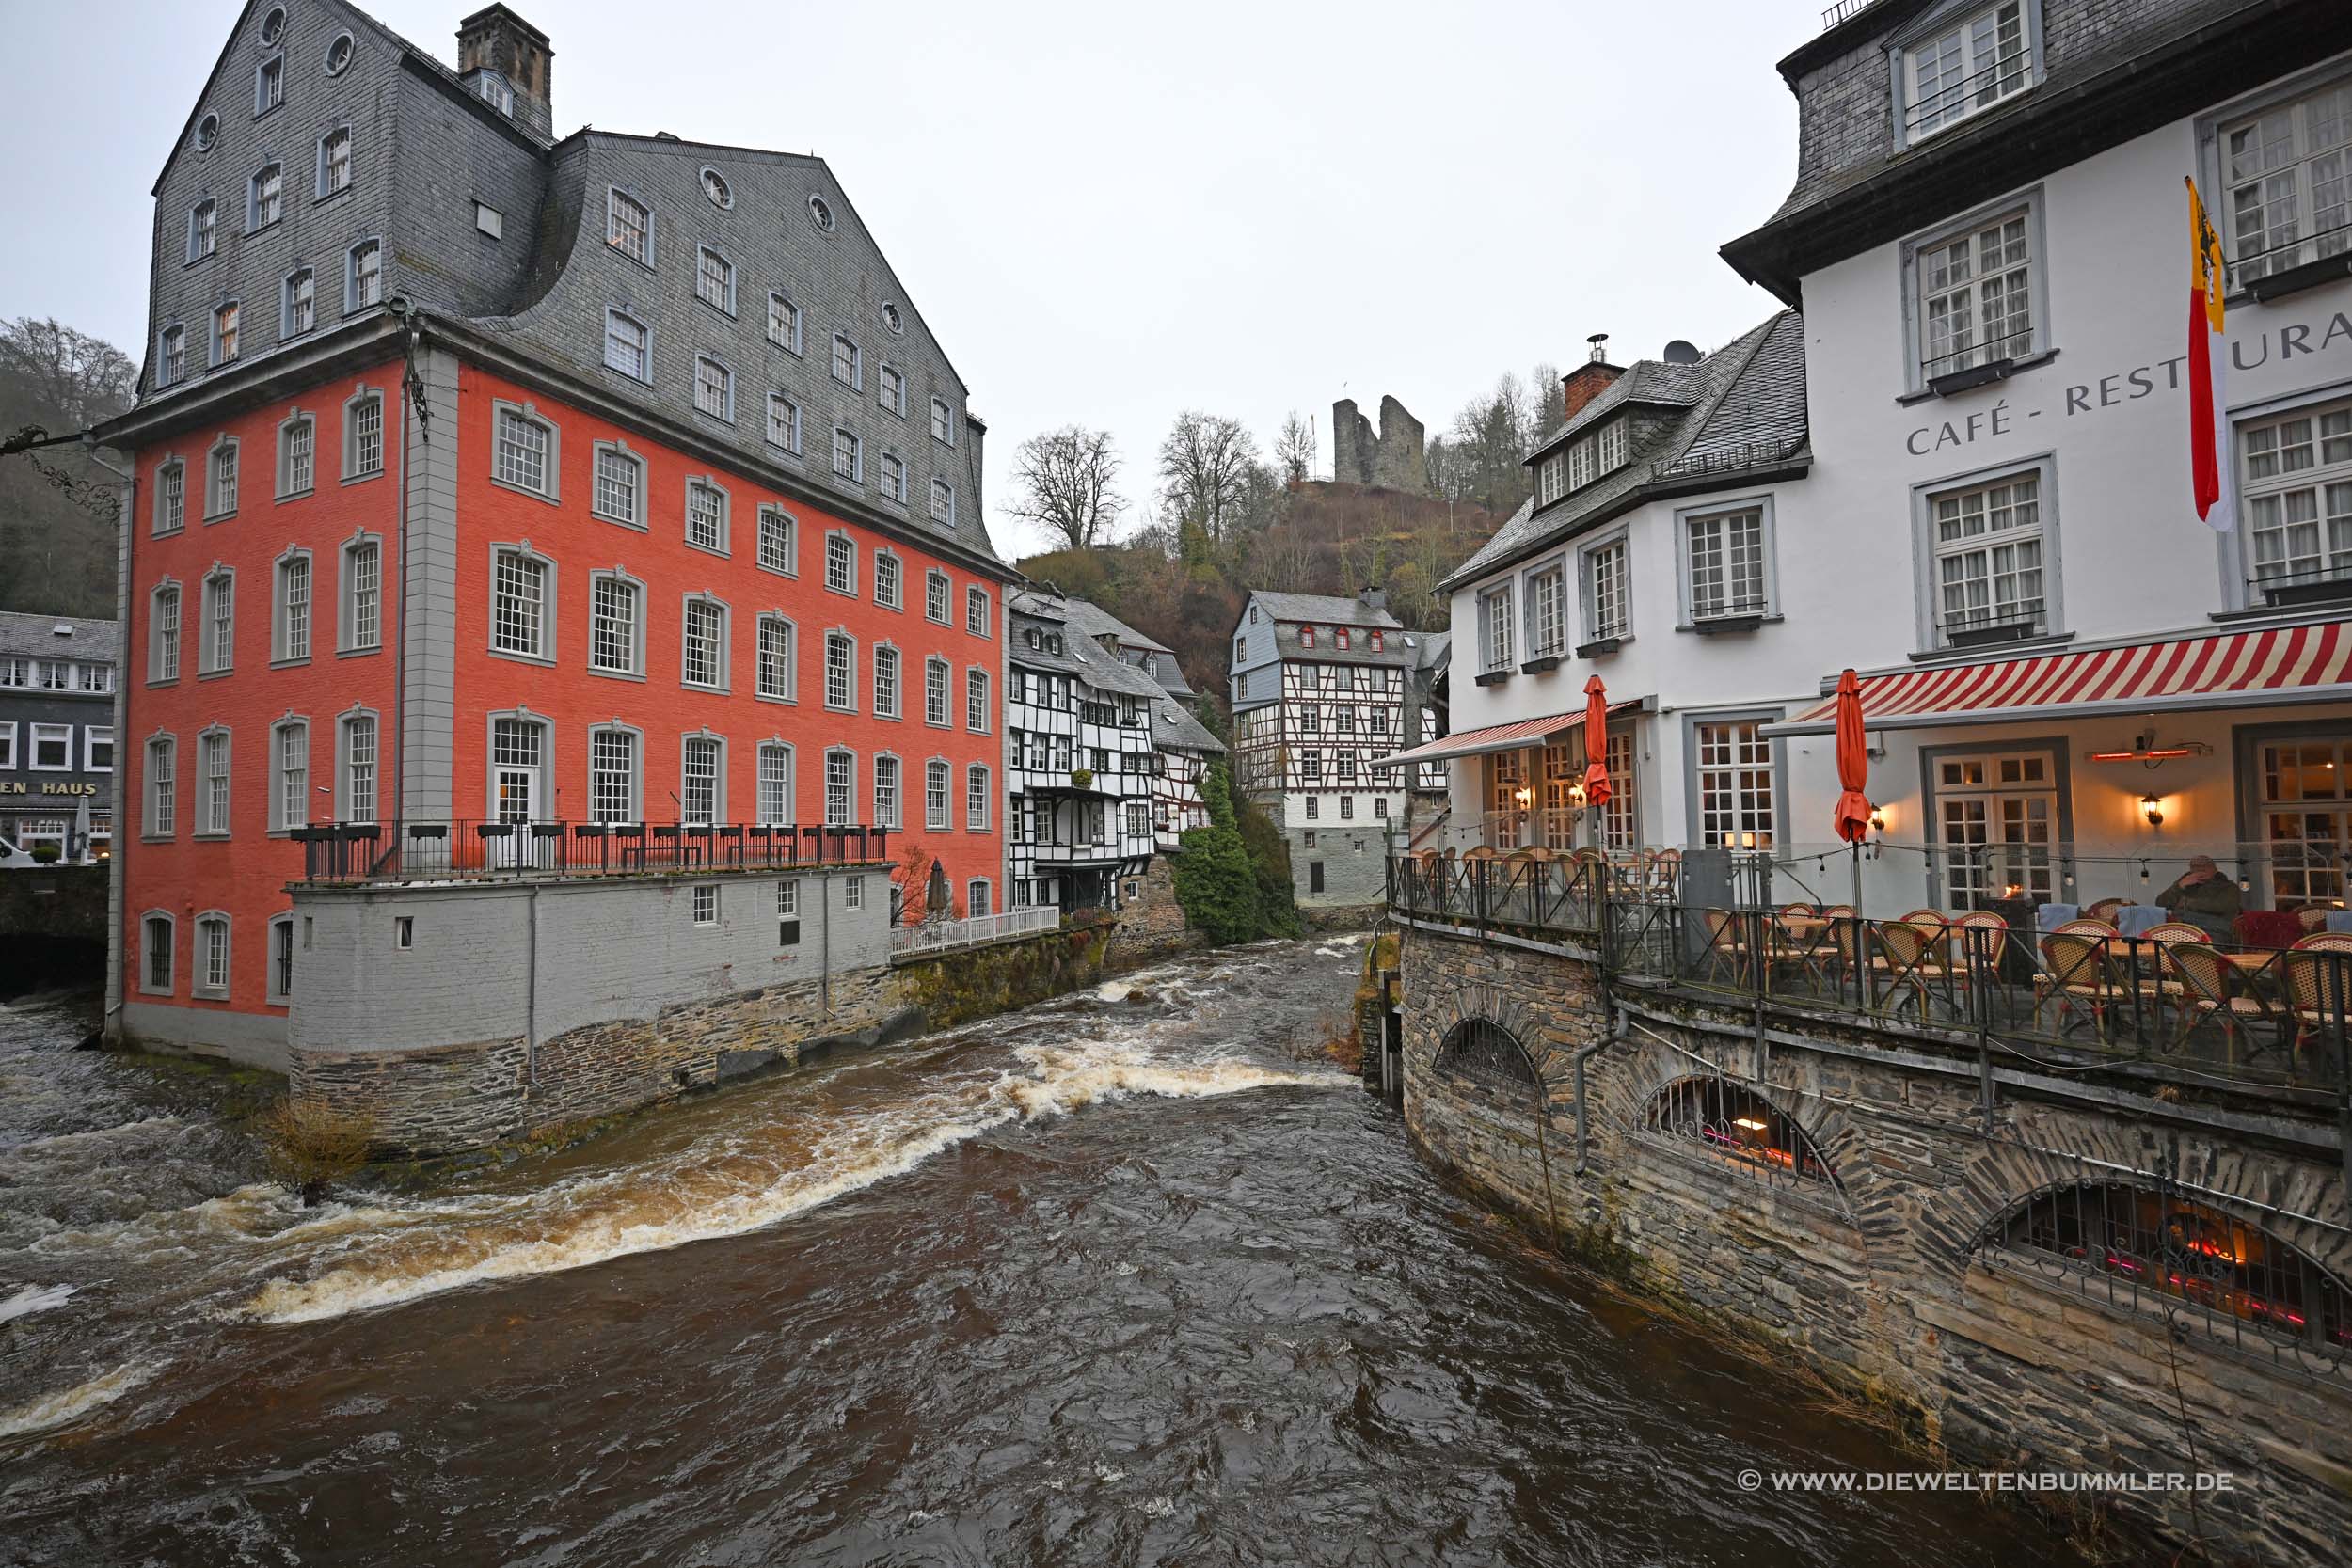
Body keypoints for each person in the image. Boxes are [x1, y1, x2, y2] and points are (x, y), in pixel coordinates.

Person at [2154, 855, 2243, 944]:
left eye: (2206, 866)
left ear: (2215, 869)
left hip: (2214, 932)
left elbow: (2223, 906)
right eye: (2195, 866)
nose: (2201, 869)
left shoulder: (2229, 887)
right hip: (2180, 931)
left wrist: (2188, 902)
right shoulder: (2184, 885)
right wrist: (2180, 885)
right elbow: (2161, 903)